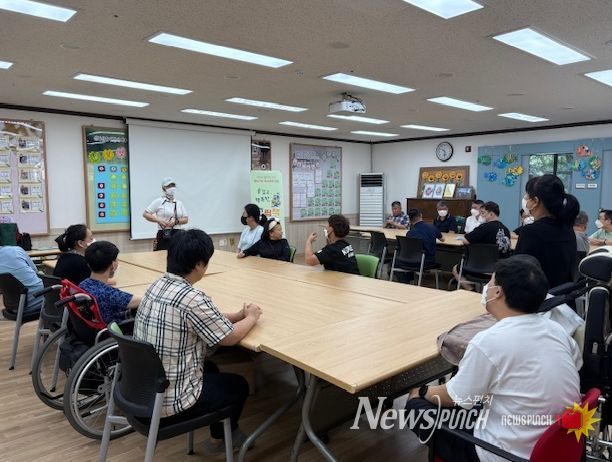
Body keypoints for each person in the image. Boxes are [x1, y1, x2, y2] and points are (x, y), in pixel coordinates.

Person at [405, 255, 581, 462]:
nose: (486, 287)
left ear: (498, 292)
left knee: (415, 406)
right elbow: (575, 364)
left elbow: (455, 399)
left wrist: (420, 391)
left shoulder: (489, 341)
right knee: (479, 400)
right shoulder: (556, 330)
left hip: (503, 453)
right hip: (555, 445)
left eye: (490, 281)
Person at [133, 229, 262, 451]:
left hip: (140, 393)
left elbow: (205, 319)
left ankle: (220, 435)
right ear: (200, 264)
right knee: (238, 385)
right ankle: (221, 439)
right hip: (168, 404)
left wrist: (237, 315)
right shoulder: (192, 298)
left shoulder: (156, 285)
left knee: (211, 368)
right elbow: (229, 338)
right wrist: (252, 317)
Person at [515, 174, 580, 288]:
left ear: (535, 201)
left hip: (537, 295)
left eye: (527, 196)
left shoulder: (530, 232)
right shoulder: (568, 230)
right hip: (562, 295)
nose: (525, 199)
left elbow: (517, 272)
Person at [79, 241, 141, 325]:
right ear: (112, 265)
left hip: (93, 327)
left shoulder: (83, 284)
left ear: (88, 264)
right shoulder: (109, 294)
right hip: (115, 330)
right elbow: (143, 300)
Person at [143, 177, 188, 251]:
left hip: (178, 233)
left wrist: (176, 221)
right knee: (162, 256)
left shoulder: (179, 203)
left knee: (178, 255)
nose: (172, 188)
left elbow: (186, 219)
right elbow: (146, 214)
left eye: (173, 185)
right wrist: (159, 220)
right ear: (164, 188)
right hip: (164, 233)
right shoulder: (159, 201)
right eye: (169, 186)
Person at [0, 244, 43, 318]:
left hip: (13, 305)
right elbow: (35, 271)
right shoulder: (15, 250)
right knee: (62, 292)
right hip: (37, 298)